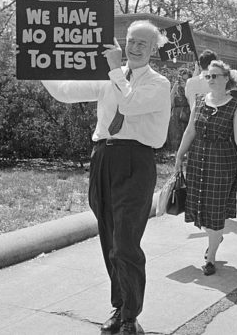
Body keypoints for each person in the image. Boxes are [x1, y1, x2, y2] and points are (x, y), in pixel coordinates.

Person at [42, 20, 171, 335]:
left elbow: (130, 102)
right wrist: (37, 62)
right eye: (131, 40)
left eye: (143, 43)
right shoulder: (112, 76)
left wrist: (114, 69)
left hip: (136, 162)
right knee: (110, 239)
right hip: (104, 158)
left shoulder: (158, 83)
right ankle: (119, 305)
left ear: (154, 49)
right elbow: (65, 92)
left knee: (126, 243)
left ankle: (130, 316)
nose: (135, 47)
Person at [175, 60, 237, 276]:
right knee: (200, 206)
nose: (211, 80)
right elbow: (190, 131)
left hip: (222, 162)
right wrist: (180, 155)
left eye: (215, 76)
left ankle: (211, 257)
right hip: (198, 161)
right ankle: (215, 237)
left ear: (227, 79)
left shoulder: (234, 106)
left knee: (216, 209)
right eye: (208, 76)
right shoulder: (199, 101)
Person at [168, 67, 192, 150]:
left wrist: (186, 87)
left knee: (186, 139)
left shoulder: (190, 88)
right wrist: (174, 87)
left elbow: (191, 101)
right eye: (182, 79)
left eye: (186, 79)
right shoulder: (176, 89)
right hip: (175, 116)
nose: (183, 81)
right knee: (175, 138)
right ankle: (176, 158)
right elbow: (170, 103)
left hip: (186, 115)